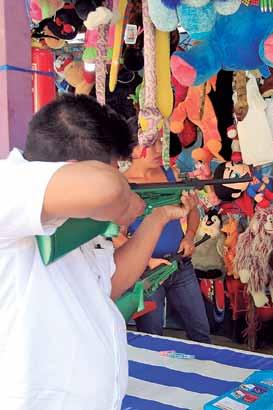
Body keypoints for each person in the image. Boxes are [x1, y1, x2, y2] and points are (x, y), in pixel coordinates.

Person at [0, 94, 197, 410]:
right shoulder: (8, 183)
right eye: (115, 167)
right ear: (75, 170)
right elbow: (106, 188)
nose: (120, 175)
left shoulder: (75, 217)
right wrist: (122, 202)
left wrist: (157, 219)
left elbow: (110, 284)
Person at [117, 127, 211, 343]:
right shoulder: (122, 185)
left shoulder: (171, 174)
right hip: (146, 273)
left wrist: (189, 236)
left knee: (200, 332)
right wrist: (148, 261)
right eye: (152, 144)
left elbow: (192, 210)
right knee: (152, 337)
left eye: (160, 142)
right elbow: (115, 235)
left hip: (180, 265)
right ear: (133, 149)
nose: (160, 149)